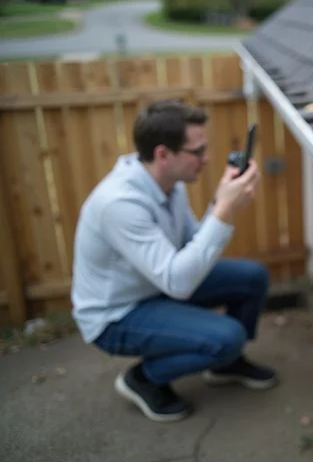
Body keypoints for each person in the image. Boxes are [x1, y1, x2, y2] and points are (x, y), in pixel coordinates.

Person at [70, 99, 277, 423]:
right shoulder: (119, 204)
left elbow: (190, 243)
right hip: (117, 315)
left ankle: (225, 364)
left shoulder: (168, 184)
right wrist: (224, 211)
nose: (206, 159)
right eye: (197, 152)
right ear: (163, 154)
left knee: (253, 278)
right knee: (228, 336)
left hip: (155, 284)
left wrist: (221, 201)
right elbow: (179, 282)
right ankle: (144, 378)